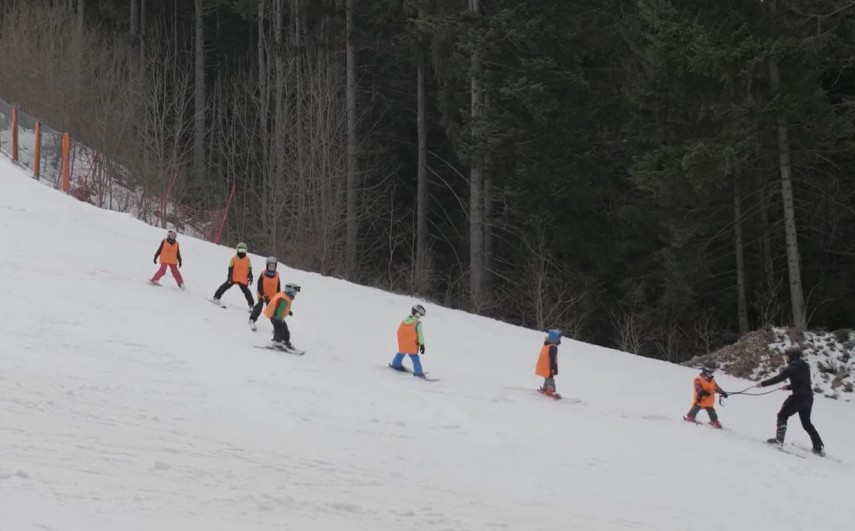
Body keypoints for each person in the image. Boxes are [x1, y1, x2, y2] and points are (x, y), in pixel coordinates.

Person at [756, 347, 825, 455]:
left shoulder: (792, 368)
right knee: (807, 423)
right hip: (808, 398)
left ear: (792, 356)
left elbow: (778, 378)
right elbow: (803, 382)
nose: (786, 358)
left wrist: (762, 384)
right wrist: (788, 387)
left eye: (787, 356)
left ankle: (779, 440)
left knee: (782, 415)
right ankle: (818, 446)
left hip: (798, 398)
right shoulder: (805, 366)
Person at [684, 362, 728, 428]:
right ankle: (690, 417)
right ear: (705, 371)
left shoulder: (712, 380)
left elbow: (716, 387)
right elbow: (698, 388)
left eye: (712, 372)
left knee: (711, 411)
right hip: (700, 399)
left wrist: (722, 392)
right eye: (709, 372)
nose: (710, 374)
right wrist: (703, 392)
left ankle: (714, 421)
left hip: (709, 401)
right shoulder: (698, 379)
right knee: (696, 408)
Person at [212, 242, 254, 310]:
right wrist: (229, 277)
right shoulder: (233, 259)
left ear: (246, 251)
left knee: (247, 292)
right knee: (224, 287)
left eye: (243, 251)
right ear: (237, 250)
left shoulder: (247, 259)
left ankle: (251, 305)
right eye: (240, 250)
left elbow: (249, 269)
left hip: (243, 279)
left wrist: (251, 277)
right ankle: (216, 297)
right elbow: (230, 269)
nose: (242, 252)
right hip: (233, 278)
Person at [390, 304, 427, 378]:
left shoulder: (403, 321)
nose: (420, 317)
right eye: (420, 315)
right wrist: (422, 345)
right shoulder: (418, 323)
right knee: (415, 357)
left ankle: (395, 364)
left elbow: (399, 331)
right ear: (417, 314)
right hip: (411, 345)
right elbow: (420, 335)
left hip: (402, 343)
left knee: (401, 353)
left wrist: (402, 340)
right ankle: (419, 373)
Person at [263, 283, 301, 351]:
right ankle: (275, 342)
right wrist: (279, 318)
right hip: (276, 317)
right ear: (290, 291)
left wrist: (288, 311)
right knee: (279, 330)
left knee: (285, 330)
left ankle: (285, 342)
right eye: (294, 292)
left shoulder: (285, 296)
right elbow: (280, 309)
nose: (295, 294)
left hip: (277, 316)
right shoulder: (284, 299)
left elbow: (281, 306)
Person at [249, 256, 281, 331]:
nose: (271, 268)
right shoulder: (263, 274)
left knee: (271, 311)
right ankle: (252, 319)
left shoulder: (277, 276)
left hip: (272, 296)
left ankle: (276, 326)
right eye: (270, 266)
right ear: (267, 266)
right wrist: (262, 295)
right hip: (262, 295)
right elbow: (259, 285)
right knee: (259, 306)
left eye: (273, 266)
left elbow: (278, 286)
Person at [535, 329, 562, 397]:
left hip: (542, 366)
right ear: (555, 338)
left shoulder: (547, 345)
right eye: (559, 338)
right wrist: (554, 368)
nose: (560, 340)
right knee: (550, 378)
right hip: (548, 366)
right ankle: (551, 390)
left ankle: (545, 388)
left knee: (547, 377)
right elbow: (552, 358)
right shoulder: (553, 347)